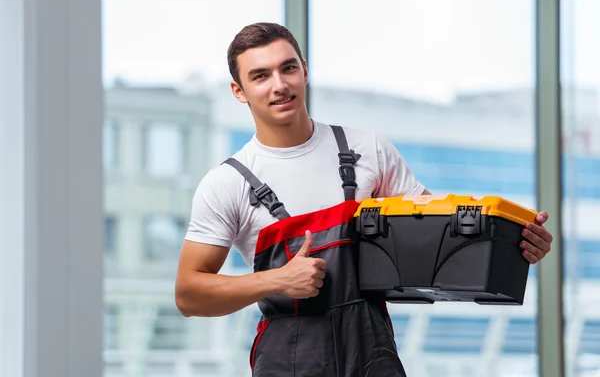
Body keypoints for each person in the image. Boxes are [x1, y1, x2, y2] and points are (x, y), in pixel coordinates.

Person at [175, 22, 553, 376]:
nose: (279, 85)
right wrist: (276, 280)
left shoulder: (366, 150)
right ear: (238, 91)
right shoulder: (228, 183)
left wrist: (513, 242)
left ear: (304, 70)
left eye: (288, 68)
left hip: (372, 352)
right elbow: (189, 295)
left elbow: (439, 234)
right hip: (288, 359)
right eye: (260, 76)